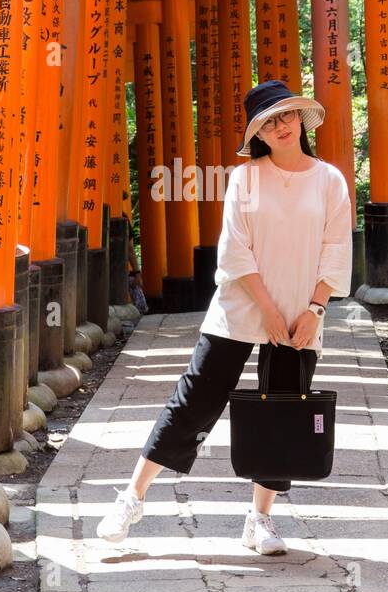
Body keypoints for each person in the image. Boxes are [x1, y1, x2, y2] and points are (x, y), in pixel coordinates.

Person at [97, 80, 353, 554]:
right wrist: (267, 311)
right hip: (241, 307)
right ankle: (131, 497)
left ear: (301, 119)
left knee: (283, 408)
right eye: (269, 121)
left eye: (287, 116)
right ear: (258, 132)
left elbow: (336, 250)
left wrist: (315, 310)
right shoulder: (246, 179)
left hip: (301, 314)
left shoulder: (330, 180)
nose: (282, 126)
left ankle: (260, 520)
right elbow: (236, 251)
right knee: (195, 398)